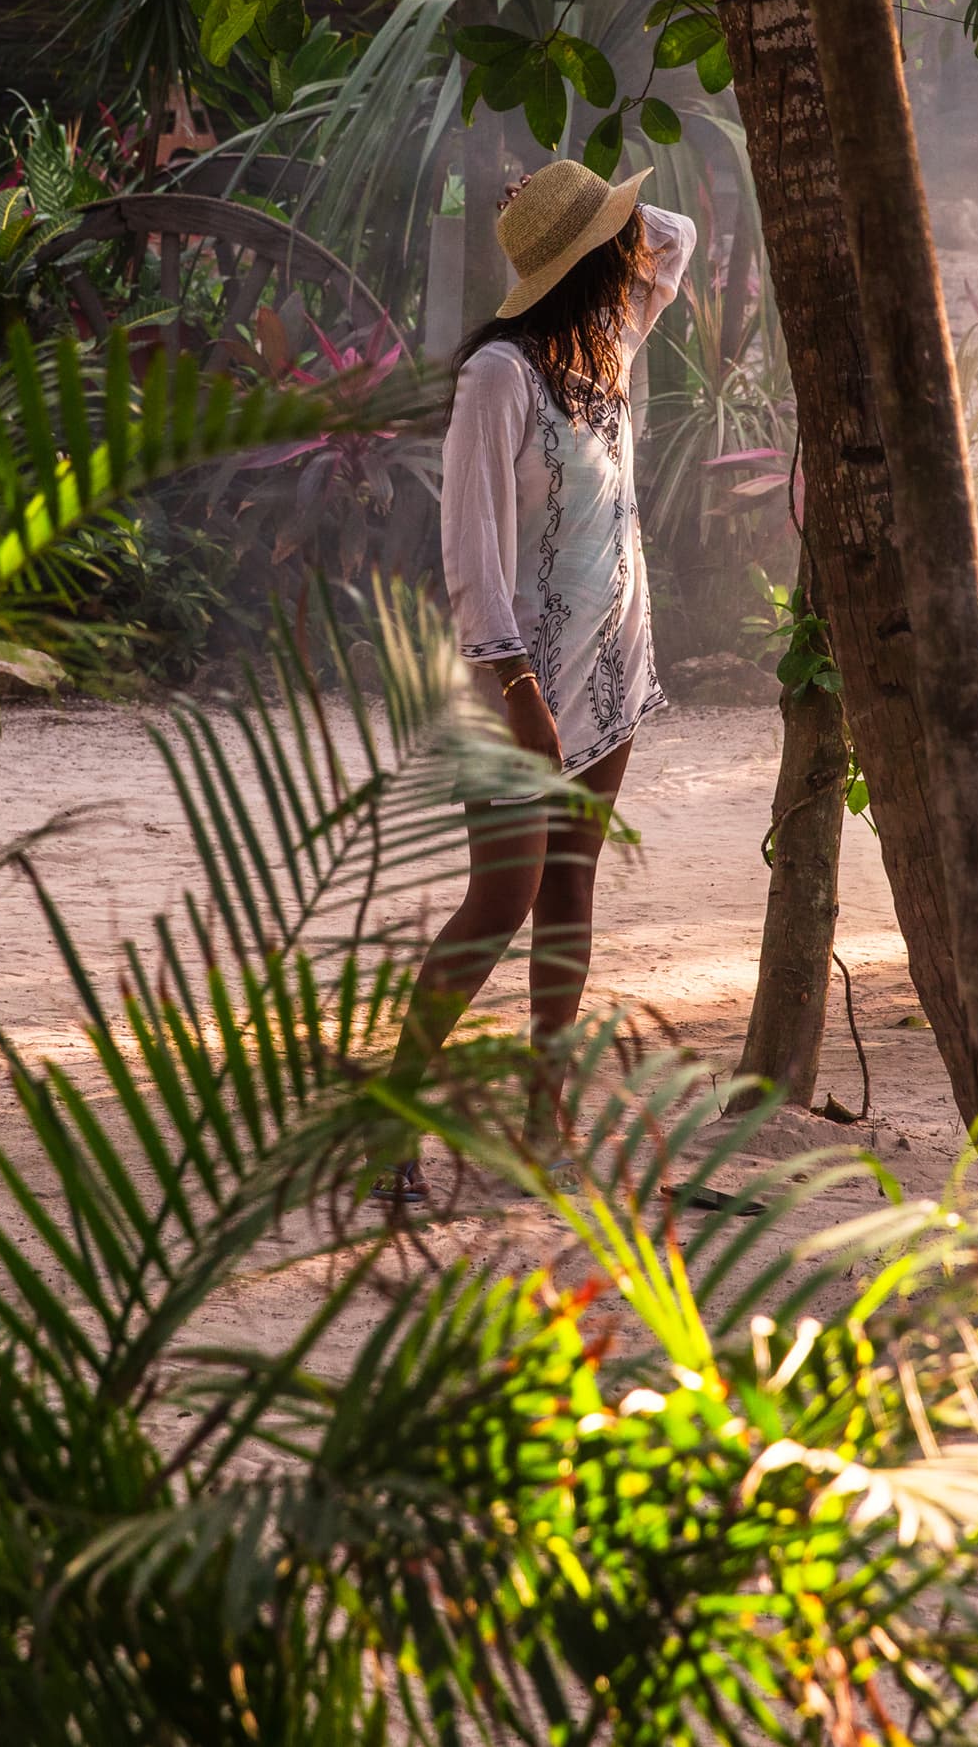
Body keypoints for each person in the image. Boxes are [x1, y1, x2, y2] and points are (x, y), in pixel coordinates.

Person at [389, 157, 694, 1196]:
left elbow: (679, 236)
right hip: (515, 677)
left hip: (610, 668)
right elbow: (470, 549)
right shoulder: (498, 377)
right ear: (584, 263)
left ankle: (542, 1118)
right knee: (501, 896)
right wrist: (515, 689)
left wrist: (571, 210)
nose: (633, 249)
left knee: (571, 885)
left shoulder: (607, 342)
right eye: (611, 238)